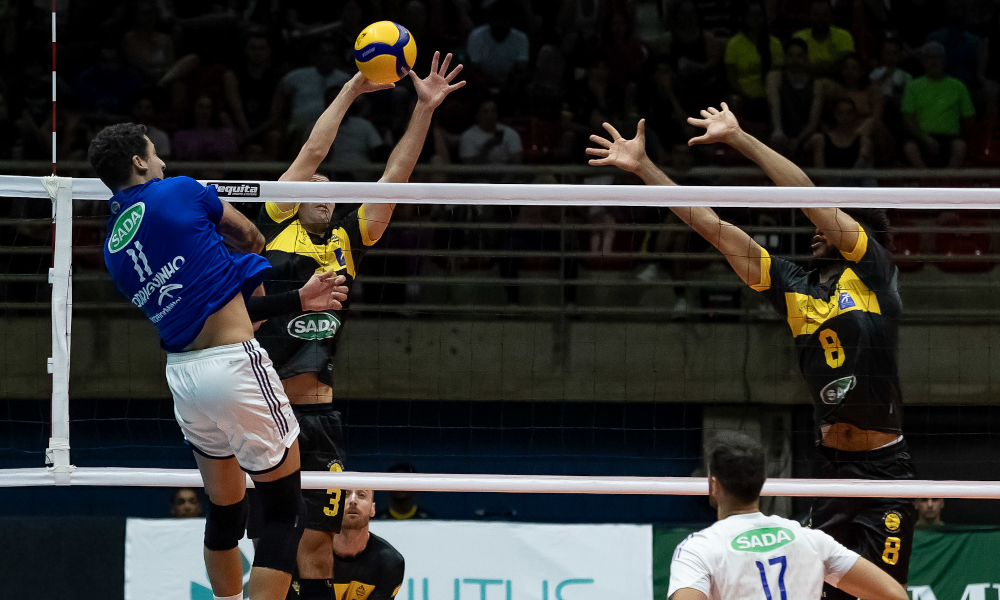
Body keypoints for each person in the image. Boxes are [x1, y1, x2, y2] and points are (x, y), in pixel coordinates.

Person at [587, 102, 917, 600]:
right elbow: (713, 228)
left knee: (888, 594)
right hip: (829, 469)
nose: (813, 231)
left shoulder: (873, 272)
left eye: (825, 227)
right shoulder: (793, 287)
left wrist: (739, 138)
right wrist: (643, 168)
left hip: (885, 469)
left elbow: (810, 199)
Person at [250, 53, 464, 600]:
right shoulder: (275, 223)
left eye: (330, 187)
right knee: (272, 543)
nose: (323, 190)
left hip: (318, 411)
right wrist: (352, 88)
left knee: (316, 549)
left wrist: (424, 109)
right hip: (261, 402)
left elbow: (395, 177)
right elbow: (313, 152)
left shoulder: (348, 239)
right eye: (312, 187)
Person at [89, 123, 323, 600]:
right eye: (154, 156)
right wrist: (240, 269)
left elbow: (191, 283)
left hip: (183, 378)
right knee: (284, 512)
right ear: (137, 162)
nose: (162, 164)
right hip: (234, 365)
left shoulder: (113, 246)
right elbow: (253, 236)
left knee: (226, 511)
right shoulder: (179, 190)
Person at [668, 433, 910, 600]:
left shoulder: (697, 550)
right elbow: (894, 594)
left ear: (713, 484)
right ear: (764, 481)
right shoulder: (811, 540)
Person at [290, 489, 406, 600]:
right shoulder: (300, 554)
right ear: (333, 505)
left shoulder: (390, 562)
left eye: (362, 495)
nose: (353, 500)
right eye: (345, 495)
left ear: (372, 508)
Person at [901, 42, 975, 168]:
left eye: (937, 57)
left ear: (944, 60)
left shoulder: (958, 86)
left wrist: (957, 133)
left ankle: (946, 182)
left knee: (960, 147)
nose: (933, 61)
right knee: (910, 148)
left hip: (950, 138)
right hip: (922, 137)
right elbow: (908, 118)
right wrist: (925, 138)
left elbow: (969, 118)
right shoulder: (913, 86)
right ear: (923, 61)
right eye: (929, 57)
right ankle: (926, 180)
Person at [767, 38, 823, 159]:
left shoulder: (816, 84)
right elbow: (774, 104)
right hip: (781, 131)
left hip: (804, 135)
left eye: (799, 56)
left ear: (806, 58)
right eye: (791, 55)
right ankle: (775, 178)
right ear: (785, 58)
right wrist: (778, 131)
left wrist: (797, 140)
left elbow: (813, 122)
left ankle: (820, 178)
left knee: (818, 139)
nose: (795, 60)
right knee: (777, 139)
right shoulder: (775, 77)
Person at [793, 0, 855, 78]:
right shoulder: (799, 37)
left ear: (831, 17)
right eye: (816, 15)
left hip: (836, 80)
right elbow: (795, 64)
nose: (820, 19)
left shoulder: (844, 36)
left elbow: (846, 64)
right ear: (809, 16)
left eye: (825, 15)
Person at [459, 99, 523, 165]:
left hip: (505, 174)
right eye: (485, 112)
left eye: (493, 111)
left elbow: (517, 163)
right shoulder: (468, 136)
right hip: (480, 174)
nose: (490, 115)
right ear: (477, 116)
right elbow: (469, 167)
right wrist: (487, 147)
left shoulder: (510, 133)